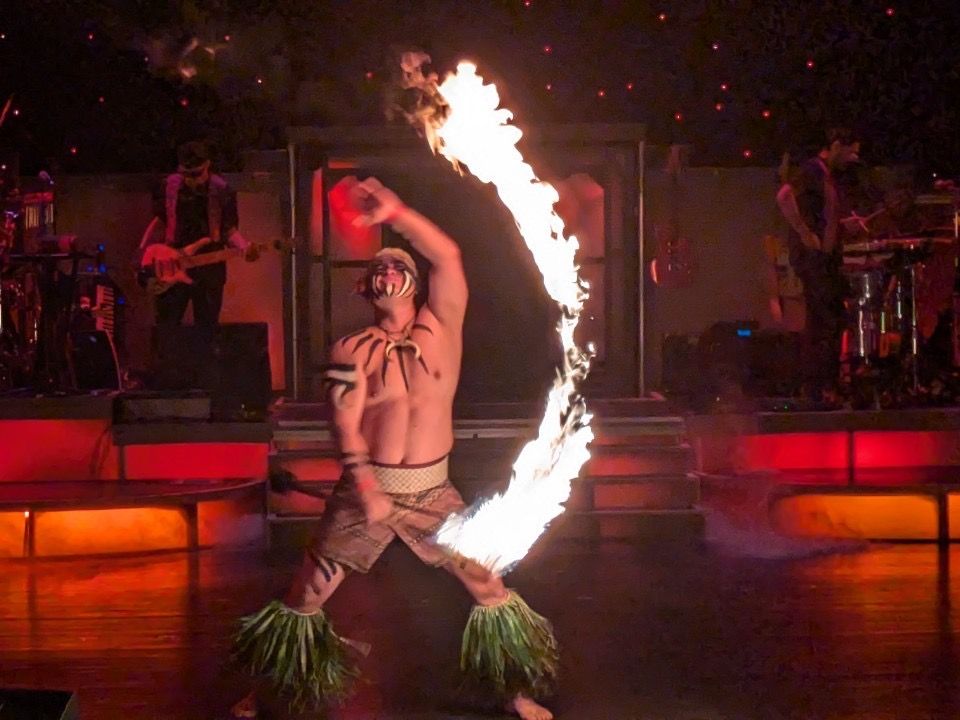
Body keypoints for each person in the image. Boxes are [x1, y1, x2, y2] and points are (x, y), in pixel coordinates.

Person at [231, 178, 557, 720]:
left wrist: (396, 212)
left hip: (433, 492)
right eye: (378, 268)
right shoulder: (350, 349)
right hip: (367, 490)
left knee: (486, 583)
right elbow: (344, 423)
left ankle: (513, 692)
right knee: (306, 595)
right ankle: (265, 692)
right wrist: (366, 488)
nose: (387, 272)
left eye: (398, 266)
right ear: (366, 288)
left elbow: (447, 254)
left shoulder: (443, 328)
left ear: (415, 284)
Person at [776, 128, 861, 400]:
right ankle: (820, 384)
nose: (852, 159)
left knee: (825, 320)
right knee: (827, 319)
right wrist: (804, 232)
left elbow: (825, 216)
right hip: (813, 257)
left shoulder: (827, 176)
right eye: (850, 152)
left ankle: (819, 385)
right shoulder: (812, 170)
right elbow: (784, 196)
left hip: (824, 257)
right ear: (835, 146)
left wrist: (843, 226)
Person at [145, 140, 258, 333]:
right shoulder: (167, 186)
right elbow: (159, 222)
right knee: (166, 328)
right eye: (186, 175)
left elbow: (229, 230)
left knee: (207, 329)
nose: (192, 180)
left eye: (197, 174)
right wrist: (144, 253)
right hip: (173, 261)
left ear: (207, 165)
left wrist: (244, 246)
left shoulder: (221, 190)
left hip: (209, 266)